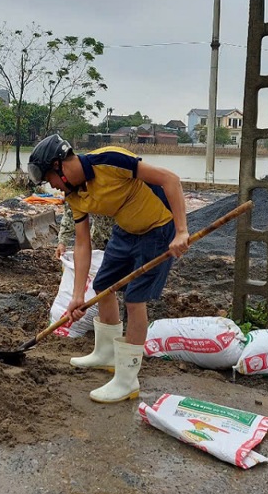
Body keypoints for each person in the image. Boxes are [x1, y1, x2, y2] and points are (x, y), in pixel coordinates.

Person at [28, 133, 190, 404]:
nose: (52, 186)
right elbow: (82, 244)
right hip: (125, 230)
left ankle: (127, 380)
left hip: (159, 228)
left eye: (50, 179)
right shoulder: (74, 195)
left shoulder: (110, 160)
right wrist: (78, 296)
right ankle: (106, 354)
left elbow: (170, 179)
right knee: (103, 286)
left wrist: (181, 231)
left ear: (60, 166)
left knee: (135, 299)